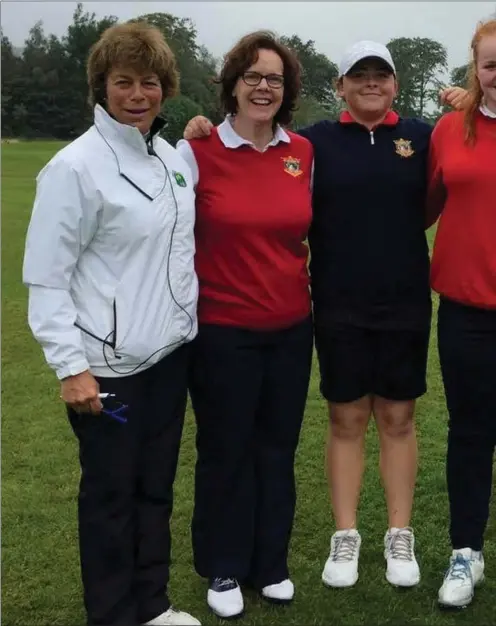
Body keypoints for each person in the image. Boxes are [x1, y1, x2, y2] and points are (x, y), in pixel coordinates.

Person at [182, 41, 468, 592]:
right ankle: (346, 535)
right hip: (335, 303)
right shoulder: (313, 144)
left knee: (399, 419)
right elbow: (254, 141)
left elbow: (454, 173)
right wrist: (204, 124)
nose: (370, 82)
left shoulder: (424, 135)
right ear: (338, 86)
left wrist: (467, 99)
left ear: (395, 84)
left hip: (405, 301)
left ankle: (398, 533)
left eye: (380, 75)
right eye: (357, 75)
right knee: (346, 420)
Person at [22, 22, 200, 626]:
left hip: (169, 358)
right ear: (102, 85)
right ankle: (113, 614)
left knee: (155, 493)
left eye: (149, 82)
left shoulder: (172, 158)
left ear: (165, 87)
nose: (137, 94)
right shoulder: (74, 168)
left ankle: (151, 605)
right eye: (123, 82)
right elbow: (47, 278)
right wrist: (71, 368)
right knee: (110, 499)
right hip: (107, 369)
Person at [175, 31, 314, 619]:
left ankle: (269, 562)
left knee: (277, 448)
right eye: (253, 76)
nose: (263, 87)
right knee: (226, 448)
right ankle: (224, 565)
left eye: (275, 79)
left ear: (287, 91)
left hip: (290, 328)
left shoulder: (302, 152)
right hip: (223, 330)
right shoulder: (198, 150)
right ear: (232, 84)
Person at [426, 18, 496, 610]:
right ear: (476, 68)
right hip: (467, 312)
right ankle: (465, 551)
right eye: (491, 64)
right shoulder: (449, 130)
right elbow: (419, 205)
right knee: (471, 433)